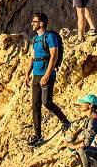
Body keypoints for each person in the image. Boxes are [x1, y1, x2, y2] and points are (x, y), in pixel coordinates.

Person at [26, 12, 71, 146]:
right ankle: (38, 135)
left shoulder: (50, 36)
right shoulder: (35, 39)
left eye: (34, 21)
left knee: (47, 102)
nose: (32, 24)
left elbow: (54, 56)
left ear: (41, 23)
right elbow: (32, 57)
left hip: (47, 74)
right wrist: (27, 73)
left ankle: (65, 121)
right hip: (36, 74)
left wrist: (47, 75)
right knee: (35, 105)